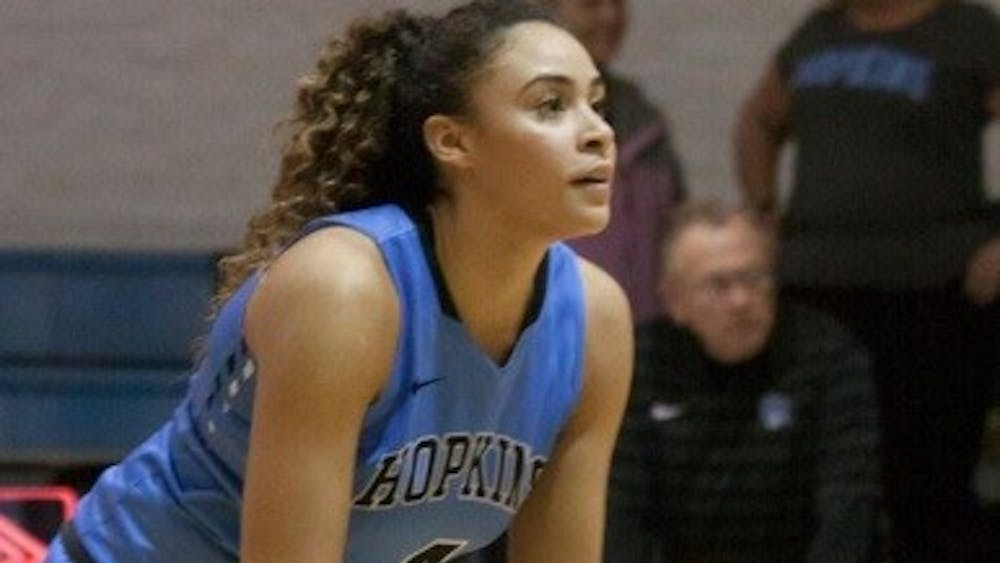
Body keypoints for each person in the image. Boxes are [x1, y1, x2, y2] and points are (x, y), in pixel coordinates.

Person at [42, 2, 634, 561]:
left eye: (595, 103)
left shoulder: (595, 320)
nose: (597, 132)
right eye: (551, 105)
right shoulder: (343, 290)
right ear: (453, 142)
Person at [734, 1, 999, 561]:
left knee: (926, 489)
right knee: (815, 479)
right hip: (814, 295)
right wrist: (761, 211)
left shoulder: (968, 31)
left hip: (930, 297)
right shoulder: (818, 32)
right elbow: (758, 122)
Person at [605, 199, 882, 563]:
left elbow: (849, 511)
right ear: (674, 300)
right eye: (718, 285)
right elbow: (620, 515)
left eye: (754, 278)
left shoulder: (828, 355)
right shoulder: (638, 361)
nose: (740, 301)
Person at [535, 0, 687, 323]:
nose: (611, 17)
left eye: (618, 3)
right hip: (554, 329)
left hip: (646, 331)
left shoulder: (642, 115)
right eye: (591, 4)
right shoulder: (521, 116)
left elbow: (674, 227)